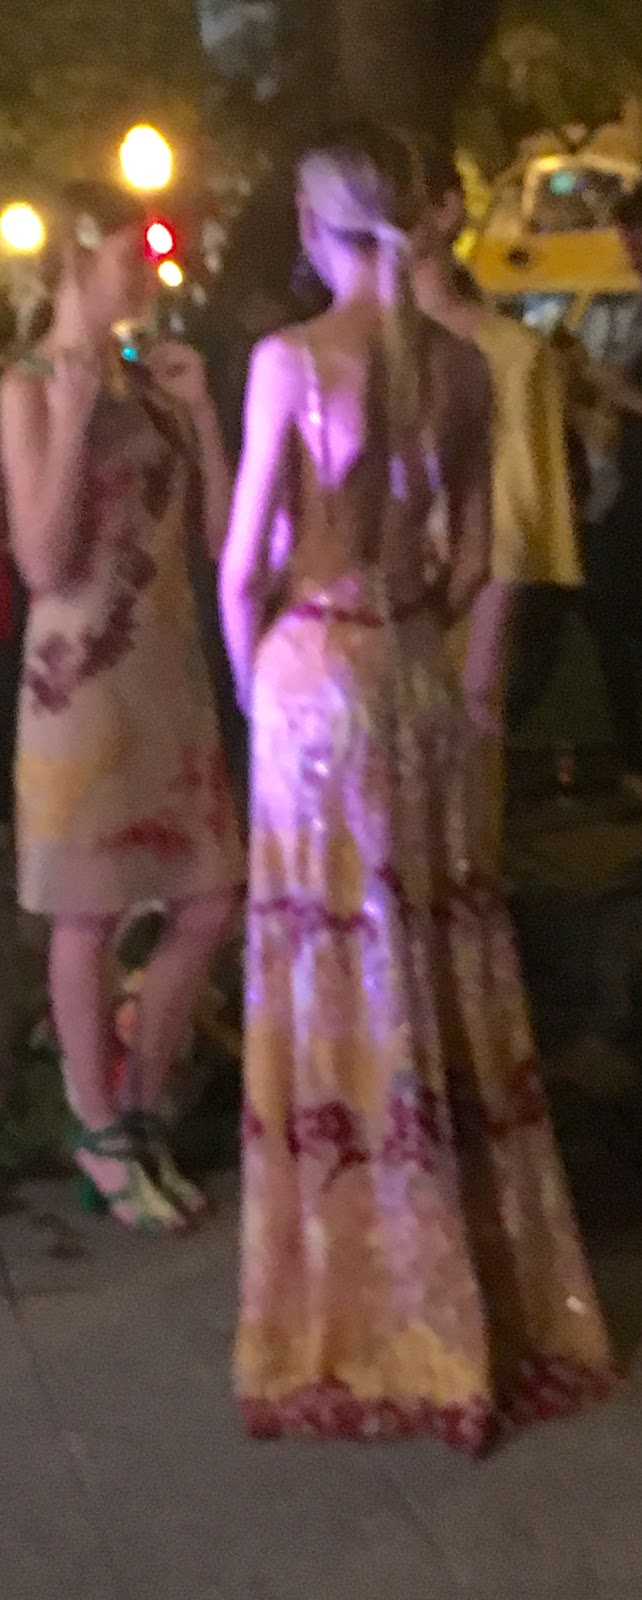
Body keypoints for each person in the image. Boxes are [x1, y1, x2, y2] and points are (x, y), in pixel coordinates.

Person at [221, 123, 615, 1448]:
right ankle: (475, 1291)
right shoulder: (461, 366)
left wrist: (256, 689)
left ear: (312, 222)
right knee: (436, 968)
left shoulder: (291, 361)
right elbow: (465, 566)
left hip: (314, 676)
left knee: (334, 976)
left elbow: (241, 567)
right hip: (413, 682)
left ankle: (362, 1298)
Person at [0, 183, 243, 1230]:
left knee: (208, 900)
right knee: (91, 910)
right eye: (125, 258)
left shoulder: (150, 385)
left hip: (167, 672)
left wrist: (202, 416)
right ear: (73, 262)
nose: (144, 275)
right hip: (82, 680)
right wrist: (65, 422)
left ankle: (138, 1103)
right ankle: (99, 1126)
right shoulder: (25, 388)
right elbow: (44, 560)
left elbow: (224, 538)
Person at [411, 194, 581, 858]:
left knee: (460, 800)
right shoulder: (343, 346)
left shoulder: (509, 353)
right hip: (376, 611)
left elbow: (515, 506)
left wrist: (490, 632)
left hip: (461, 596)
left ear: (445, 210)